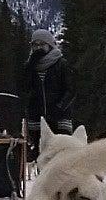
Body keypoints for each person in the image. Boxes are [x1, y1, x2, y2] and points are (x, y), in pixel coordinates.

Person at [23, 27, 72, 160]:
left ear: (49, 45)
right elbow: (24, 89)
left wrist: (60, 107)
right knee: (42, 154)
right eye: (35, 44)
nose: (38, 48)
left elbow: (70, 90)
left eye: (42, 44)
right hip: (36, 118)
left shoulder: (61, 63)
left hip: (60, 117)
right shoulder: (29, 66)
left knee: (62, 153)